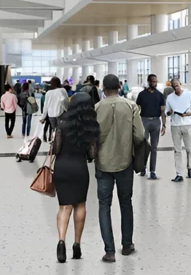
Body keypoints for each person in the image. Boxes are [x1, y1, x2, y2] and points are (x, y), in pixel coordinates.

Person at [94, 74, 144, 263]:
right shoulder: (131, 106)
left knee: (104, 206)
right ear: (119, 87)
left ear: (104, 89)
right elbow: (139, 135)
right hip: (125, 163)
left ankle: (109, 251)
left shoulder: (97, 108)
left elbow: (93, 137)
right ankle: (127, 245)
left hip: (103, 163)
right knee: (126, 203)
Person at [52, 92, 99, 263]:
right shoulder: (91, 126)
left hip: (62, 167)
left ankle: (61, 241)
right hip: (79, 168)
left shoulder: (61, 122)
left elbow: (56, 149)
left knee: (64, 207)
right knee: (80, 205)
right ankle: (77, 245)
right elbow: (92, 154)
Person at [165, 79, 191, 182]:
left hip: (187, 124)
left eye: (177, 85)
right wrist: (169, 112)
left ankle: (190, 168)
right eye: (174, 86)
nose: (176, 88)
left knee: (189, 149)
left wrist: (188, 114)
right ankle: (179, 173)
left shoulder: (188, 95)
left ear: (180, 84)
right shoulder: (170, 98)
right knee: (177, 150)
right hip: (175, 126)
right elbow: (166, 111)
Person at [134, 74, 166, 180]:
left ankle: (153, 170)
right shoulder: (142, 94)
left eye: (156, 81)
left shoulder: (160, 95)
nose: (154, 83)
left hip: (156, 121)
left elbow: (162, 111)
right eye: (153, 81)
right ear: (148, 82)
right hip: (144, 121)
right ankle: (143, 167)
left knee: (154, 148)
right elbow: (137, 109)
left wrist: (164, 124)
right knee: (144, 146)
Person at [43, 77, 68, 143]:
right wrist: (67, 109)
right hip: (60, 114)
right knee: (61, 131)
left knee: (54, 130)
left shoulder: (48, 92)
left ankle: (55, 144)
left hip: (51, 115)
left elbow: (45, 106)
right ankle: (60, 145)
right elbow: (65, 101)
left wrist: (43, 117)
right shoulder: (62, 90)